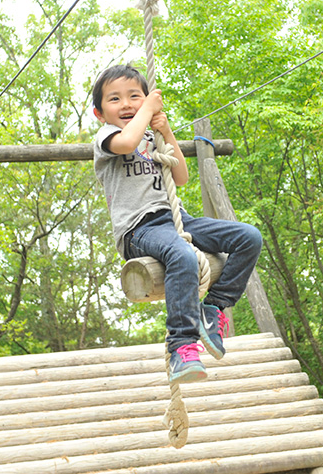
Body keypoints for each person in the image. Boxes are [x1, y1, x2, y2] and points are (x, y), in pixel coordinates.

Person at [91, 64, 263, 383]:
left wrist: (166, 130)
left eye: (134, 96)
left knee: (248, 237)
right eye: (115, 99)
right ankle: (182, 345)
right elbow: (127, 143)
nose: (126, 104)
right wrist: (148, 109)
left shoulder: (151, 138)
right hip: (139, 228)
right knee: (182, 256)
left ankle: (214, 308)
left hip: (177, 219)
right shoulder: (107, 137)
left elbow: (180, 177)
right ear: (99, 113)